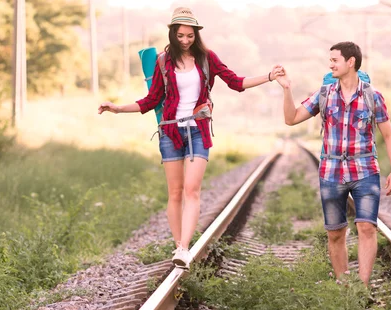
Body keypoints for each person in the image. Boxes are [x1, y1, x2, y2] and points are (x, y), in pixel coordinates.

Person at [98, 7, 284, 269]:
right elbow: (151, 100)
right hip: (170, 131)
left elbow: (236, 82)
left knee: (191, 189)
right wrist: (117, 108)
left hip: (198, 129)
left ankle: (184, 248)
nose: (185, 40)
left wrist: (268, 77)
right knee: (174, 193)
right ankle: (178, 246)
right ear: (173, 34)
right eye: (181, 35)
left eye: (190, 36)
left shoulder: (208, 58)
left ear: (196, 35)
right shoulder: (163, 61)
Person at [275, 41, 391, 286]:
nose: (330, 64)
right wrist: (287, 89)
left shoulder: (373, 96)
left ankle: (361, 288)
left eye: (335, 60)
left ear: (350, 62)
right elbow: (291, 119)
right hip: (331, 173)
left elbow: (389, 134)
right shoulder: (324, 94)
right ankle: (344, 287)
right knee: (335, 233)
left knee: (367, 228)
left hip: (365, 171)